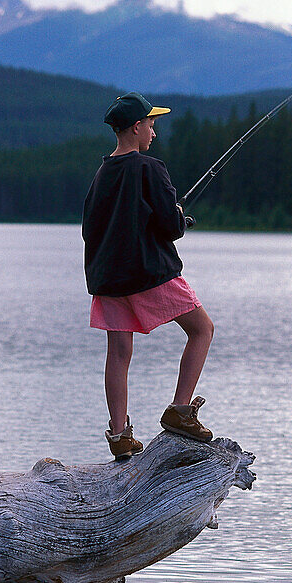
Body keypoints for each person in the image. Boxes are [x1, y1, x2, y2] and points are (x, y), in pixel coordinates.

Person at [82, 91, 215, 461]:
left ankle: (120, 434)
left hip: (108, 280)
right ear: (137, 127)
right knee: (202, 329)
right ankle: (180, 410)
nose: (154, 133)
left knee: (119, 353)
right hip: (148, 273)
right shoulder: (150, 168)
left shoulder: (102, 172)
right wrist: (177, 215)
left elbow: (92, 228)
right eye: (152, 125)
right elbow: (171, 227)